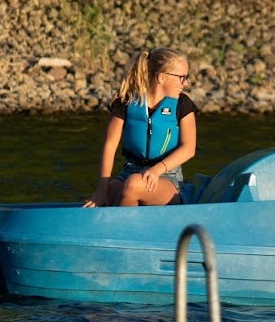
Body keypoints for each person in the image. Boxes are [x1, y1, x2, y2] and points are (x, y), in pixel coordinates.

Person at [83, 47, 198, 207]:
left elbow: (189, 149)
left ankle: (123, 222)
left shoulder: (183, 104)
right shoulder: (126, 101)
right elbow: (110, 145)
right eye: (182, 77)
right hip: (129, 172)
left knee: (133, 185)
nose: (185, 83)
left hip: (167, 177)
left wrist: (156, 170)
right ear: (162, 77)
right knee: (110, 194)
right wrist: (101, 191)